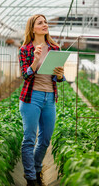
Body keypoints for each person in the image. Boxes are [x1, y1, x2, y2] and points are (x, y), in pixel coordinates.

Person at [18, 14, 65, 186]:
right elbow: (25, 75)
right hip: (31, 98)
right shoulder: (25, 50)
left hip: (49, 97)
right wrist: (35, 60)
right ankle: (31, 178)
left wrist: (60, 76)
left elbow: (57, 77)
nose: (45, 25)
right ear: (32, 28)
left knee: (45, 139)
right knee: (29, 139)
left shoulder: (55, 48)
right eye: (40, 23)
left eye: (45, 22)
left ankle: (37, 169)